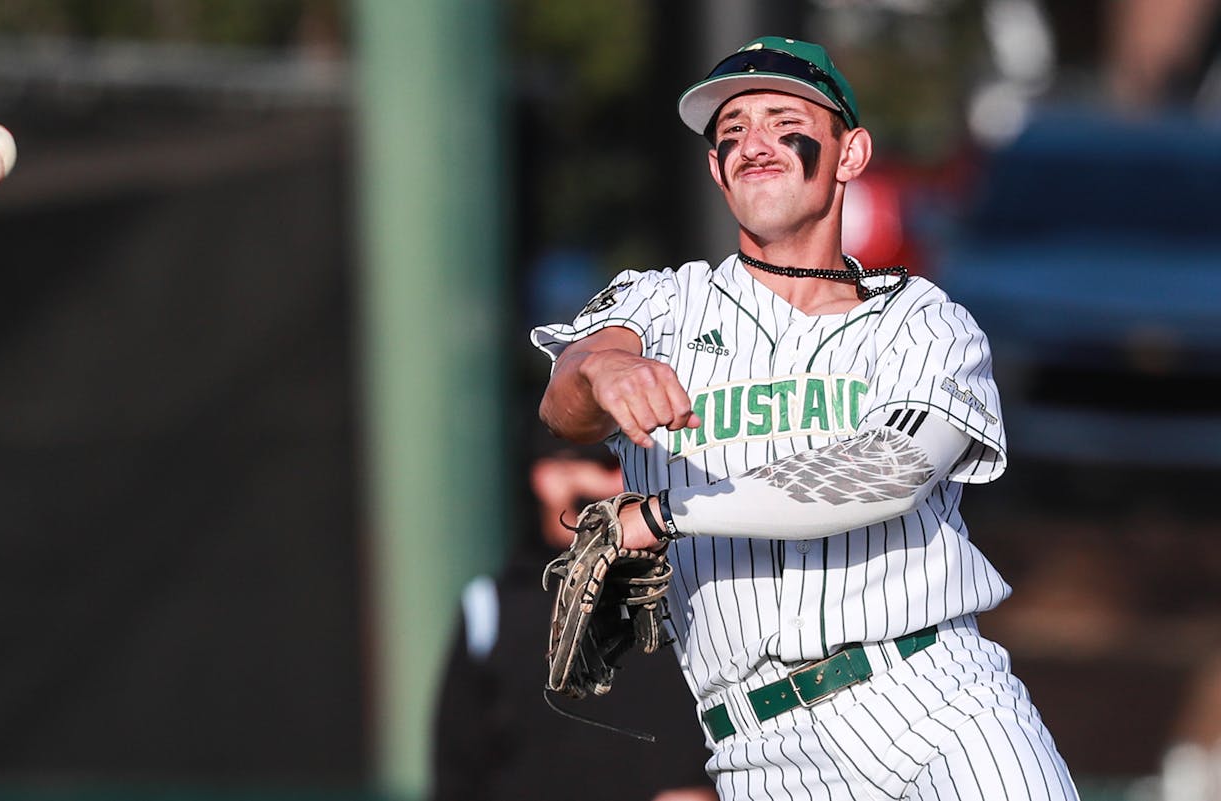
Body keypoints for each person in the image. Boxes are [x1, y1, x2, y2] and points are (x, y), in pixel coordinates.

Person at [530, 36, 1078, 800]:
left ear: (851, 152)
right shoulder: (662, 304)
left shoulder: (922, 322)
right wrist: (605, 367)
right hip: (756, 747)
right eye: (730, 133)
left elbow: (885, 473)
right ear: (715, 169)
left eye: (780, 118)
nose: (752, 142)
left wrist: (662, 513)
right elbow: (567, 398)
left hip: (933, 702)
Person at [430, 436, 717, 801]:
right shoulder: (491, 605)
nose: (625, 484)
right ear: (551, 476)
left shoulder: (686, 581)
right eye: (610, 467)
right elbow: (458, 766)